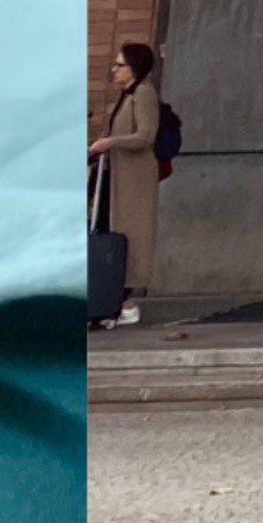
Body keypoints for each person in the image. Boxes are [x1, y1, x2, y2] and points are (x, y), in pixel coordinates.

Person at [90, 36, 174, 325]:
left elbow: (145, 135)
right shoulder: (126, 95)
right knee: (107, 230)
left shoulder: (144, 94)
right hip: (116, 175)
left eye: (119, 65)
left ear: (134, 68)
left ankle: (124, 300)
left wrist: (110, 142)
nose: (114, 70)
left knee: (130, 235)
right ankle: (111, 297)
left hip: (134, 178)